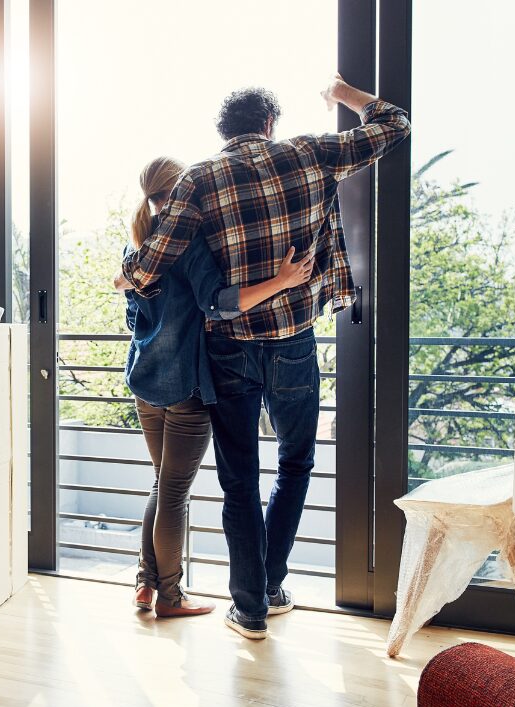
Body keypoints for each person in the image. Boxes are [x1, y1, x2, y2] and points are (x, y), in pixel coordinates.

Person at [122, 76, 410, 640]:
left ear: (223, 132)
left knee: (238, 482)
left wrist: (128, 273)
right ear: (269, 124)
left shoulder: (200, 179)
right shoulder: (310, 152)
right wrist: (344, 94)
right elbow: (395, 124)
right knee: (295, 462)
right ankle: (272, 584)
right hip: (294, 343)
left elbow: (146, 267)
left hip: (229, 349)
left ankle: (249, 609)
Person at [120, 156, 314, 618]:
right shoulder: (189, 245)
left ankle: (146, 584)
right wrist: (282, 280)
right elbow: (218, 304)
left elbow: (133, 317)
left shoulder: (139, 248)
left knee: (162, 484)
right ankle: (170, 596)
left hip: (145, 382)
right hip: (186, 387)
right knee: (174, 491)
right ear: (184, 191)